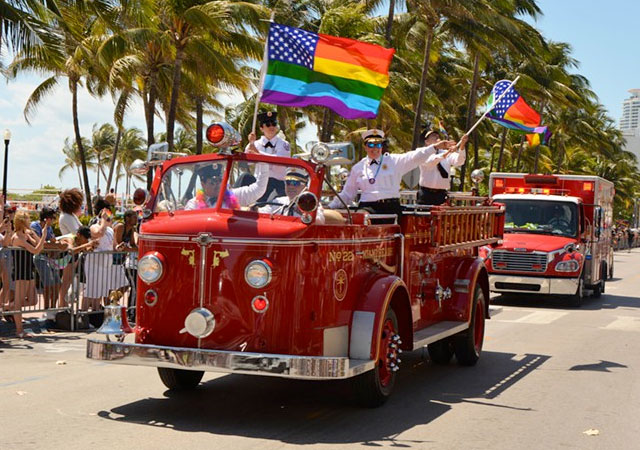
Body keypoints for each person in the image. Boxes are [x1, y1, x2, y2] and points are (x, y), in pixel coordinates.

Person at [328, 129, 456, 217]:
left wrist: (435, 147)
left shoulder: (394, 161)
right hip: (367, 208)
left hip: (391, 207)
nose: (374, 149)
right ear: (365, 146)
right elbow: (347, 194)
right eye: (371, 144)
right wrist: (329, 207)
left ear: (382, 147)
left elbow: (416, 156)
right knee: (359, 219)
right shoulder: (358, 168)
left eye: (378, 145)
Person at [83, 200, 128, 312]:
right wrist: (103, 221)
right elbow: (99, 233)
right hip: (94, 263)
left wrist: (119, 248)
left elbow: (113, 246)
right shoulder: (95, 226)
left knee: (100, 291)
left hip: (105, 264)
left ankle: (95, 313)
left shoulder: (110, 229)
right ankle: (82, 314)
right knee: (91, 291)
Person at [9, 211, 47, 338]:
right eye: (26, 220)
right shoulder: (17, 237)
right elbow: (36, 250)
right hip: (20, 271)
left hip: (28, 269)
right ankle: (19, 330)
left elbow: (39, 246)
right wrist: (43, 237)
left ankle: (8, 306)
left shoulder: (26, 234)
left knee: (33, 300)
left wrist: (38, 234)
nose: (29, 221)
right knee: (19, 302)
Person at [246, 111, 291, 202]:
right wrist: (251, 143)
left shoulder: (284, 144)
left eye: (274, 124)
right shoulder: (256, 144)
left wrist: (258, 154)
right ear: (262, 128)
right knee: (245, 177)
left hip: (277, 184)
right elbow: (248, 161)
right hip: (258, 183)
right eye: (268, 124)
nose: (271, 127)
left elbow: (280, 160)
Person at [184, 162, 268, 210]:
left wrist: (263, 163)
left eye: (220, 181)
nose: (217, 185)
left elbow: (259, 189)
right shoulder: (193, 204)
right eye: (213, 182)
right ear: (203, 184)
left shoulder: (234, 195)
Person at [30, 207, 68, 311]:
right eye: (53, 218)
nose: (54, 220)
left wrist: (57, 244)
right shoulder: (34, 226)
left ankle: (53, 308)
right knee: (48, 284)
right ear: (47, 218)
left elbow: (51, 242)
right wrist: (56, 245)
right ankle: (46, 309)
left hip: (49, 258)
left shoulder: (49, 228)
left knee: (57, 283)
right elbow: (40, 244)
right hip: (39, 257)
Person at [417, 130, 468, 205]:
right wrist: (447, 153)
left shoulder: (445, 153)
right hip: (426, 194)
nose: (437, 138)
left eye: (438, 136)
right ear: (426, 141)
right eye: (433, 136)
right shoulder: (422, 152)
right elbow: (431, 161)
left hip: (441, 194)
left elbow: (460, 161)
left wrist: (462, 146)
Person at [259, 167, 325, 224]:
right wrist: (252, 209)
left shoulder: (311, 203)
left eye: (295, 183)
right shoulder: (278, 201)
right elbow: (263, 212)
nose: (291, 186)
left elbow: (320, 221)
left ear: (305, 186)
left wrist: (304, 213)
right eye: (288, 182)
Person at [113, 210, 138, 310]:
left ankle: (113, 301)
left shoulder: (131, 229)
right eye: (134, 217)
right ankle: (111, 303)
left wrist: (131, 249)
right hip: (111, 259)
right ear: (127, 218)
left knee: (125, 284)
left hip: (120, 261)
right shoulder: (120, 227)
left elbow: (133, 245)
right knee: (112, 284)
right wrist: (129, 249)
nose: (136, 219)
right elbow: (118, 244)